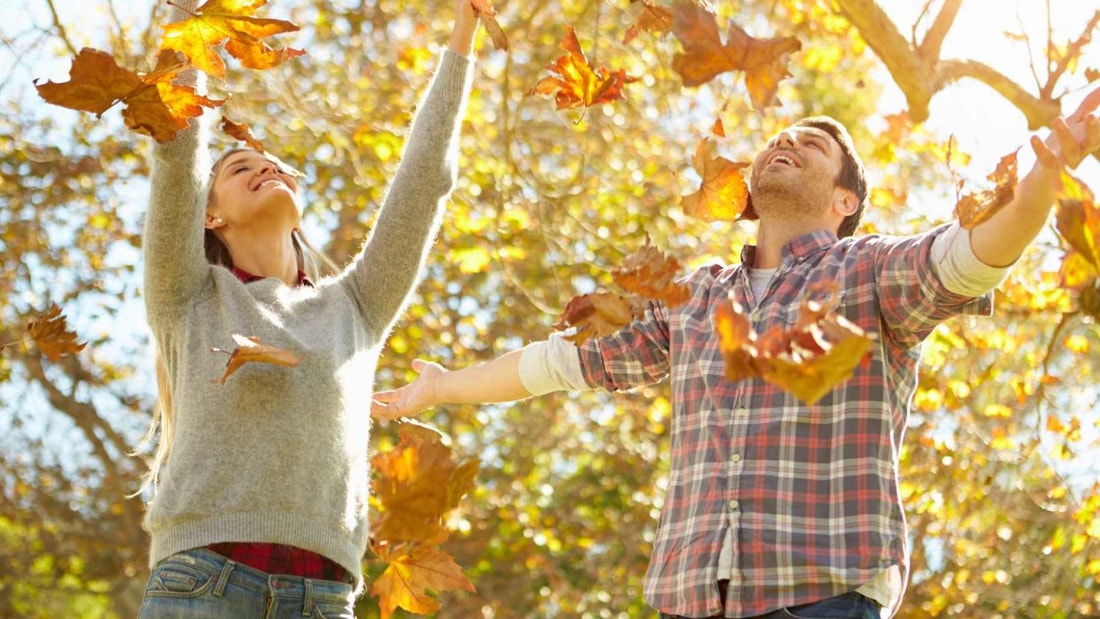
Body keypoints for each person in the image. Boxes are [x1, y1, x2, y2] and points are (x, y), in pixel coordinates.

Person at [372, 92, 1100, 618]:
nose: (785, 142)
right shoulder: (691, 298)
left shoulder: (870, 270)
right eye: (778, 137)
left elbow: (971, 258)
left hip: (824, 593)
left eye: (811, 145)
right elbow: (557, 366)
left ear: (844, 200)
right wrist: (442, 387)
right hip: (689, 600)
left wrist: (1041, 179)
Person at [134, 0, 480, 616]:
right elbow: (177, 151)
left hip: (323, 597)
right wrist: (192, 26)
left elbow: (425, 180)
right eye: (242, 167)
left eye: (272, 165)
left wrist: (465, 31)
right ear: (209, 214)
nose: (265, 166)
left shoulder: (356, 307)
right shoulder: (187, 296)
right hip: (203, 582)